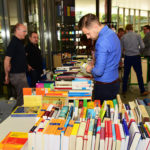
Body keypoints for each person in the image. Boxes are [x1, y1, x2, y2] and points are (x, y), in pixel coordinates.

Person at [78, 14, 121, 103]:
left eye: (88, 33)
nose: (88, 37)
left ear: (95, 26)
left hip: (104, 87)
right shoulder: (111, 33)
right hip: (114, 82)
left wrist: (90, 69)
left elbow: (98, 72)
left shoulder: (101, 41)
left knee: (101, 115)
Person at [4, 23, 28, 106]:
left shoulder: (19, 42)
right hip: (17, 75)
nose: (25, 33)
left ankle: (18, 113)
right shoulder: (14, 42)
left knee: (24, 96)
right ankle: (16, 115)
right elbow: (7, 59)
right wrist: (6, 75)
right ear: (17, 31)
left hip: (20, 74)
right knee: (23, 98)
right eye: (24, 31)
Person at [121, 24, 149, 96]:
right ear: (132, 29)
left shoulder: (123, 37)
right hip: (136, 57)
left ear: (126, 29)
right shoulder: (137, 35)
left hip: (127, 57)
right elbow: (143, 46)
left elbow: (121, 49)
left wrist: (125, 52)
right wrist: (138, 50)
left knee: (126, 74)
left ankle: (124, 91)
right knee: (139, 74)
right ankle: (142, 91)